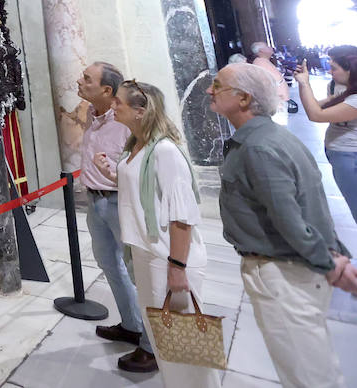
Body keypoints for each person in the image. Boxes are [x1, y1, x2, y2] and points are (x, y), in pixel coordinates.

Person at [209, 62, 357, 388]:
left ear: (244, 99)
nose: (209, 90)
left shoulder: (259, 147)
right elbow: (309, 204)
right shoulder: (270, 136)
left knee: (307, 376)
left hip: (282, 274)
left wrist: (329, 261)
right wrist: (334, 252)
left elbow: (289, 218)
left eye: (217, 85)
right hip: (289, 269)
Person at [94, 81, 218, 387]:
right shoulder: (136, 145)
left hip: (168, 256)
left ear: (141, 110)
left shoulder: (164, 151)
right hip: (146, 252)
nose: (113, 107)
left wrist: (178, 267)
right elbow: (140, 190)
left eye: (119, 103)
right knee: (165, 343)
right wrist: (113, 172)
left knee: (186, 347)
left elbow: (182, 215)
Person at [78, 62, 153, 372]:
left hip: (119, 202)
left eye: (87, 79)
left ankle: (151, 346)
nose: (79, 82)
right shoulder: (90, 116)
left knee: (140, 272)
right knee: (109, 263)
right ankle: (131, 324)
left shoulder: (126, 121)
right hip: (95, 200)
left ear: (107, 90)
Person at [293, 46, 357, 221]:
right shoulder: (338, 86)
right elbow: (318, 105)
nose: (330, 71)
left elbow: (316, 115)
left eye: (334, 68)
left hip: (350, 154)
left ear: (351, 69)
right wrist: (302, 84)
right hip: (339, 152)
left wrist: (305, 83)